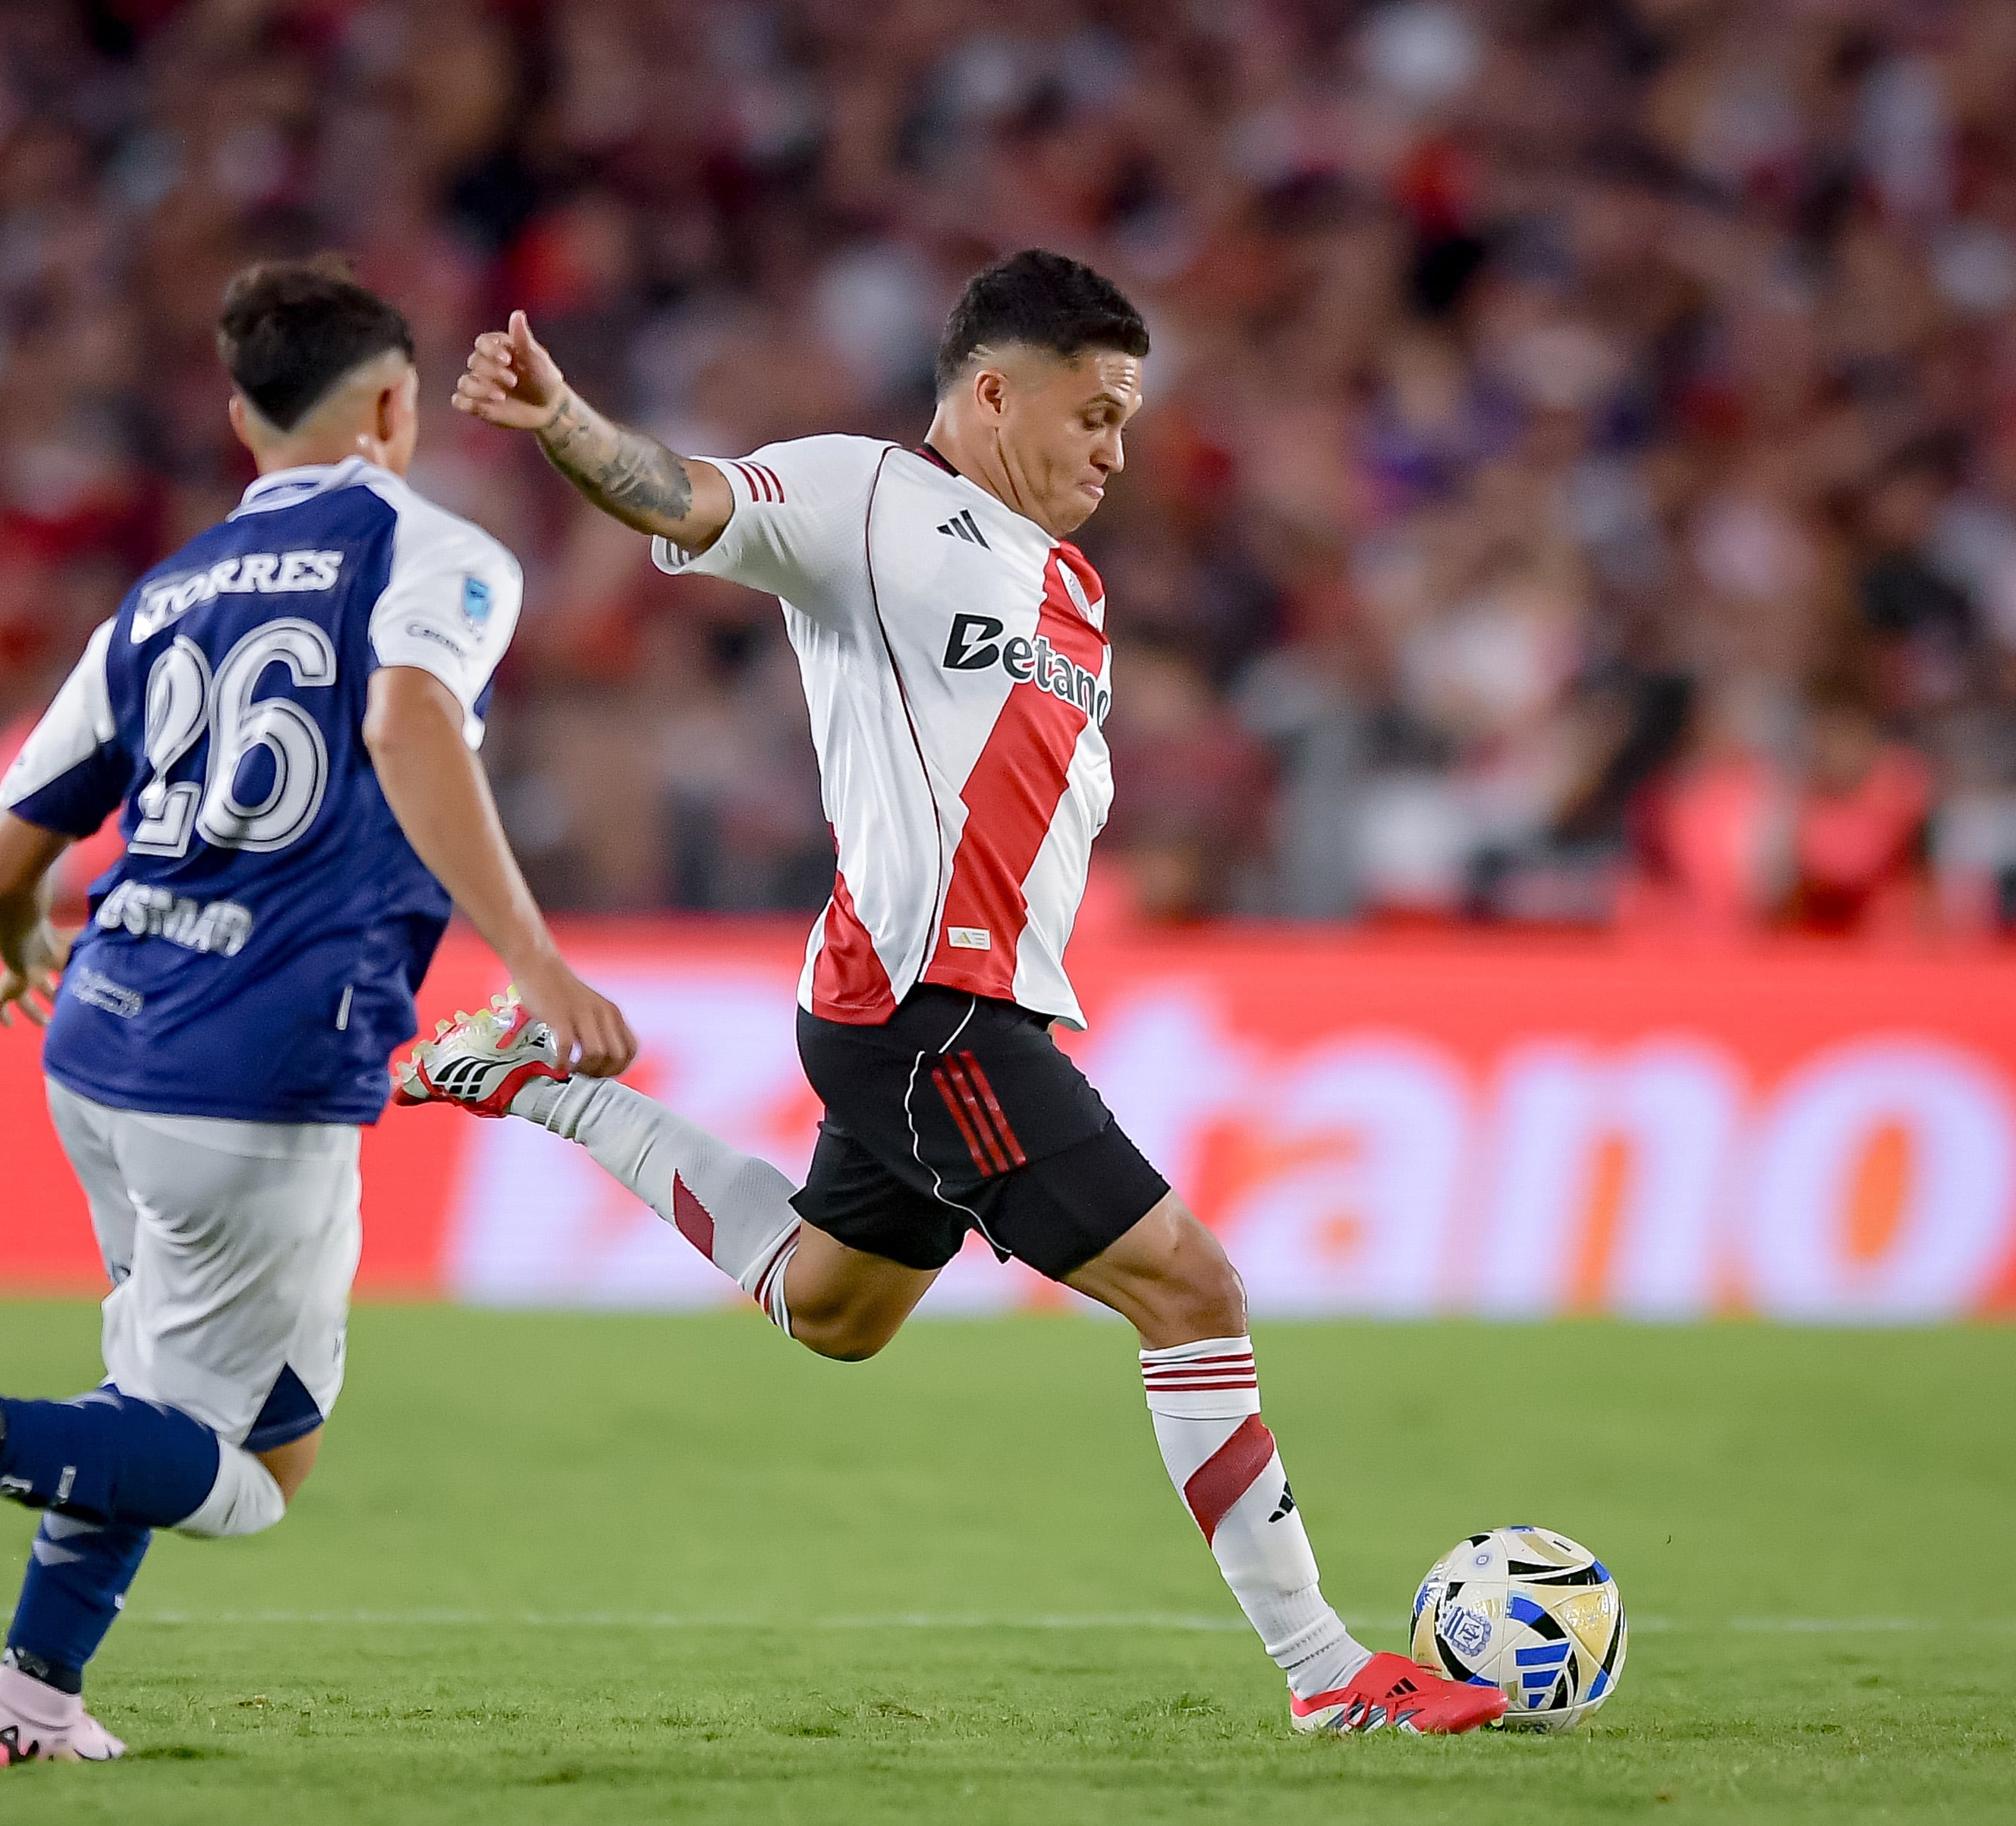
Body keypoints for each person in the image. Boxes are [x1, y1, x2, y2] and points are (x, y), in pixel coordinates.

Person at [400, 250, 1502, 1736]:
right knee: (1190, 1291)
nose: (1115, 450)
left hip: (961, 1008)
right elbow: (679, 493)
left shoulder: (1069, 589)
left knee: (834, 1305)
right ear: (990, 394)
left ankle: (540, 1087)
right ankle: (1325, 1677)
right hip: (928, 1011)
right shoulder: (863, 503)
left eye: (1127, 420)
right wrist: (563, 424)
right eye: (1094, 413)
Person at [0, 260, 637, 1766]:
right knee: (244, 1473)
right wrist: (536, 956)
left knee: (191, 1399)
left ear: (243, 422)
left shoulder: (162, 593)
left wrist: (9, 939)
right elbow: (409, 717)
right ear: (389, 406)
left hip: (98, 1038)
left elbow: (6, 856)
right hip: (259, 1065)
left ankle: (31, 1700)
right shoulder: (444, 558)